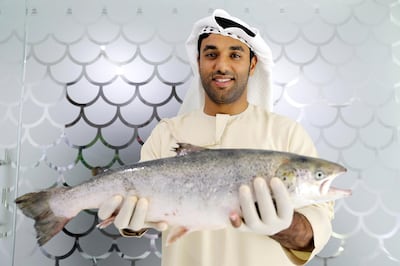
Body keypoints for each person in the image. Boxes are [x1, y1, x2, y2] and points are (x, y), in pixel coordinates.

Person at [98, 9, 333, 266]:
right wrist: (132, 225)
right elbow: (138, 207)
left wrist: (283, 225)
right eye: (211, 54)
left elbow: (316, 226)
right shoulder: (166, 133)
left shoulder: (288, 133)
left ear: (252, 65)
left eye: (235, 55)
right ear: (198, 61)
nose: (222, 65)